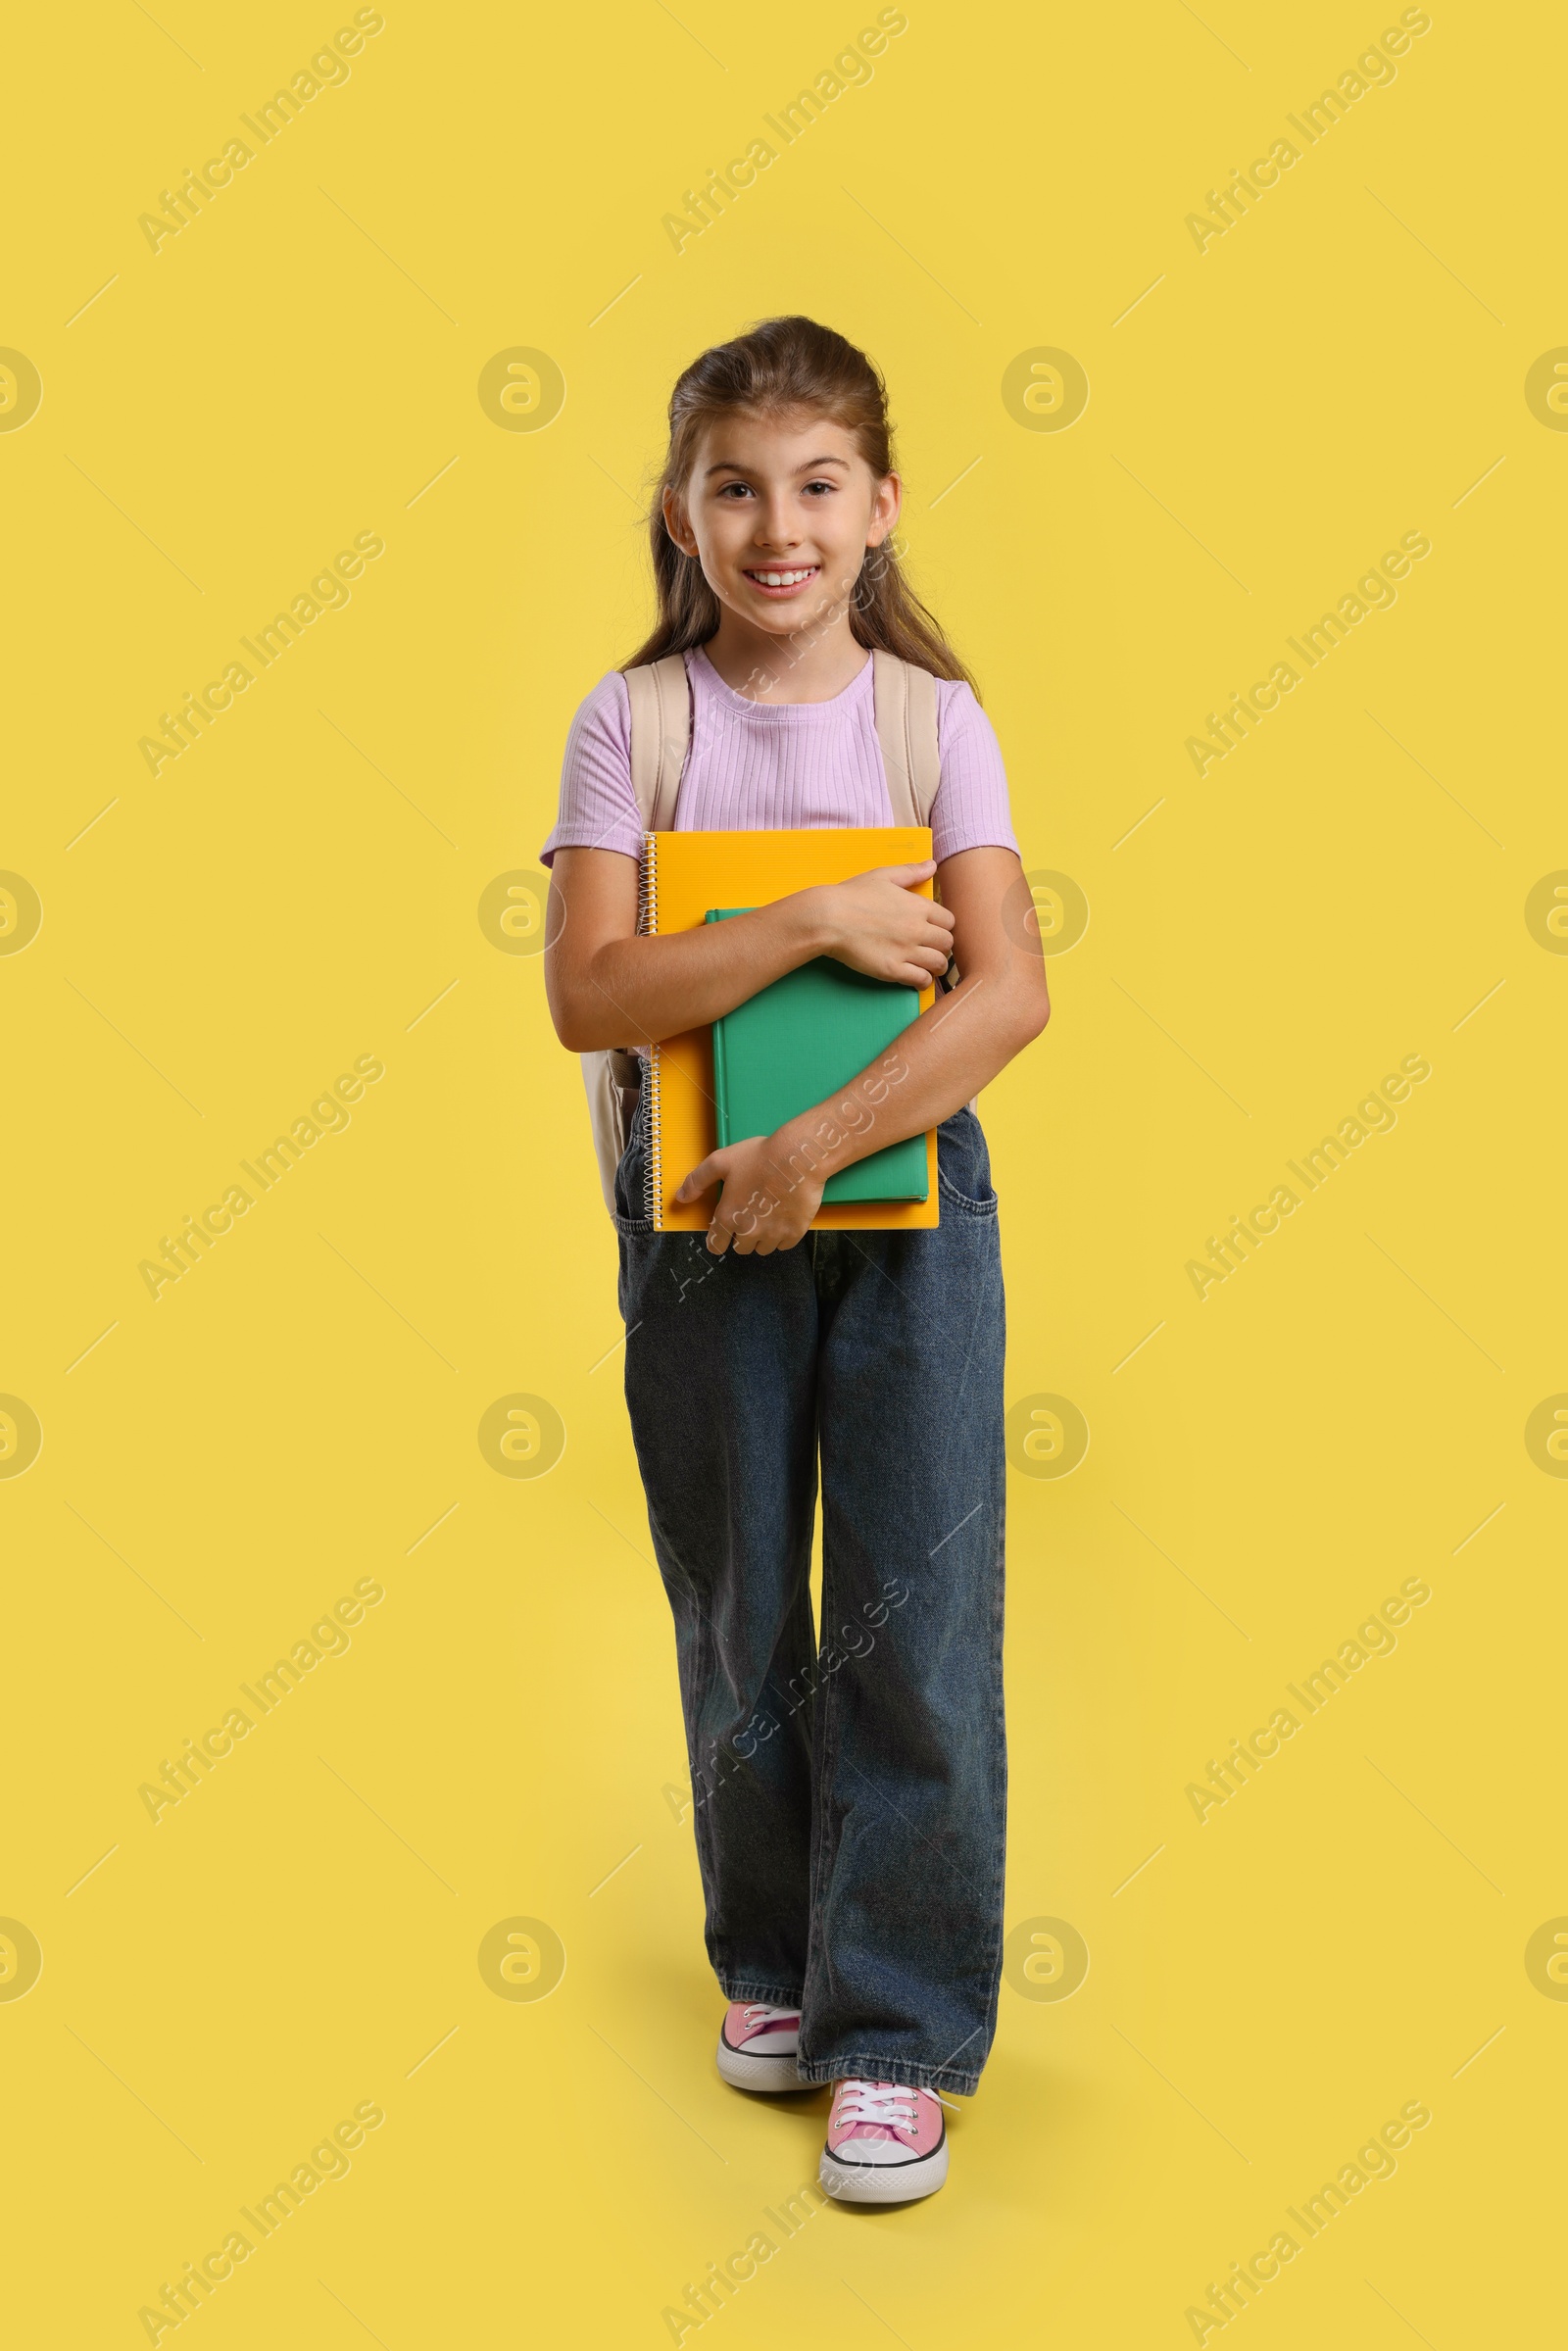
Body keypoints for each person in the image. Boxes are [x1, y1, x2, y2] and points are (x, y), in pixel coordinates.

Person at [542, 316, 1050, 2204]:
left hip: (904, 1204)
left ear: (881, 504)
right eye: (735, 488)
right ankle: (772, 1957)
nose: (779, 527)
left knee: (916, 1603)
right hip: (691, 1223)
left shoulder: (931, 719)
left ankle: (897, 2034)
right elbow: (593, 993)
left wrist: (815, 1149)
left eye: (818, 485)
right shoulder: (636, 719)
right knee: (739, 1589)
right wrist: (815, 914)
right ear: (680, 514)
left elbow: (1009, 993)